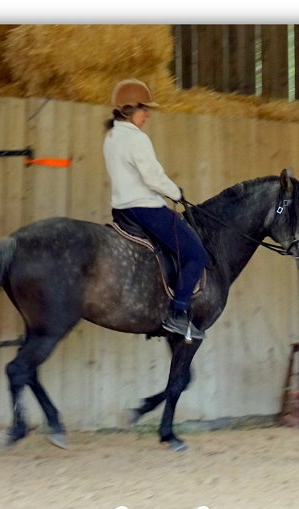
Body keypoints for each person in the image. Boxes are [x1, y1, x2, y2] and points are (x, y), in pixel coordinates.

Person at [103, 78, 208, 340]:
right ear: (128, 109)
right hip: (146, 209)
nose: (148, 114)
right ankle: (178, 312)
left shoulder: (112, 136)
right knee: (196, 255)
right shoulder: (136, 139)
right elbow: (152, 178)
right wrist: (176, 193)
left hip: (122, 211)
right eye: (143, 109)